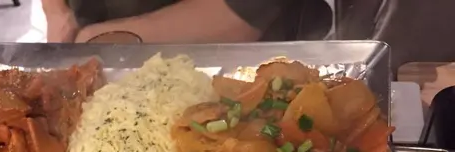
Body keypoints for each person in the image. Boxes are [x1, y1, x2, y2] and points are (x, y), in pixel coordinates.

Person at [43, 0, 296, 44]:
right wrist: (55, 10)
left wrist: (97, 38)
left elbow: (240, 15)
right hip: (88, 42)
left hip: (216, 58)